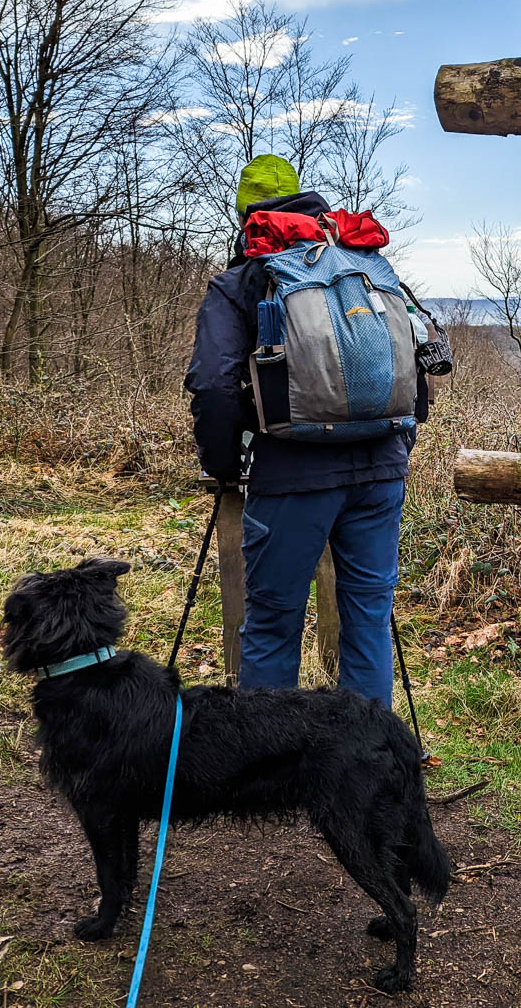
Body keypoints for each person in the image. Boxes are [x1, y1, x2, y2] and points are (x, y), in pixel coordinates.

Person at [184, 155, 427, 707]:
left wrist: (226, 465)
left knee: (272, 623)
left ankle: (269, 771)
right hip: (380, 470)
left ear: (246, 211)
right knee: (369, 618)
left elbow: (215, 387)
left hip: (291, 474)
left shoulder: (243, 281)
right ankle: (366, 769)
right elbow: (411, 365)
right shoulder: (363, 266)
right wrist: (396, 448)